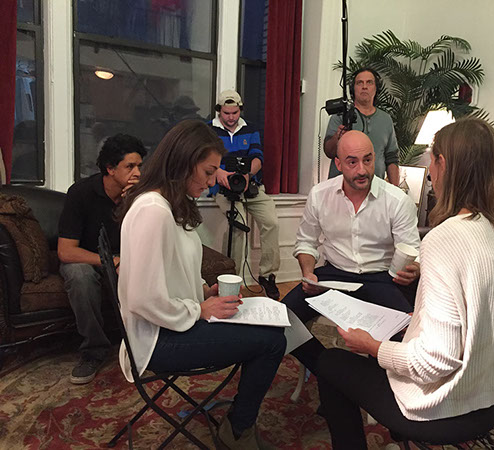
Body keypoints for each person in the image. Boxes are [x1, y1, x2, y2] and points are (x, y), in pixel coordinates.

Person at [316, 118, 494, 448]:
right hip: (489, 398)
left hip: (440, 407)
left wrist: (372, 346)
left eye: (432, 160)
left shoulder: (446, 239)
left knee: (330, 363)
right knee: (392, 341)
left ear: (442, 164)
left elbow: (433, 361)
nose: (430, 171)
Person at [117, 119, 286, 450]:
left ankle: (239, 420)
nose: (212, 182)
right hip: (155, 340)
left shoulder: (167, 204)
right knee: (271, 343)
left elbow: (169, 273)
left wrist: (204, 293)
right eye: (209, 172)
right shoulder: (153, 211)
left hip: (169, 323)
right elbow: (141, 298)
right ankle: (238, 431)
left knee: (272, 328)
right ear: (184, 162)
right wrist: (200, 310)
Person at [282, 130, 420, 376]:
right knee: (283, 321)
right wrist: (308, 273)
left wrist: (414, 267)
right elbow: (306, 243)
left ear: (375, 158)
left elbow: (413, 251)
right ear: (338, 164)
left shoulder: (397, 201)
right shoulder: (320, 194)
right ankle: (329, 370)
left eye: (367, 160)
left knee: (409, 333)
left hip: (381, 277)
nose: (362, 170)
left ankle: (371, 380)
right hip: (334, 275)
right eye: (352, 162)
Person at [58, 134, 146, 384]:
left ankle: (147, 343)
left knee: (145, 269)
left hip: (125, 257)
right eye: (130, 166)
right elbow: (66, 251)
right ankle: (93, 351)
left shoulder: (141, 196)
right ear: (110, 168)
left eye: (140, 166)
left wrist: (134, 204)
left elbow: (148, 241)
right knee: (79, 276)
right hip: (86, 258)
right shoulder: (81, 193)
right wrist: (111, 261)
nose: (138, 173)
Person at [208, 90, 281, 300]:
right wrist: (219, 172)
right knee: (237, 226)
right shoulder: (209, 129)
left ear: (240, 109)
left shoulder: (250, 128)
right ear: (219, 111)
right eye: (226, 113)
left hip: (250, 186)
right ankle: (232, 279)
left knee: (271, 222)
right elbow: (203, 157)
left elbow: (258, 157)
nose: (231, 117)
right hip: (223, 187)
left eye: (235, 112)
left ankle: (267, 275)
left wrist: (248, 174)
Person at [324, 67, 400, 185]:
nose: (364, 86)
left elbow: (392, 158)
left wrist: (395, 190)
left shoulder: (386, 119)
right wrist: (337, 137)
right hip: (342, 188)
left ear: (376, 88)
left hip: (376, 188)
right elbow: (329, 152)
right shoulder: (341, 116)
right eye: (360, 83)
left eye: (369, 82)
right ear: (353, 89)